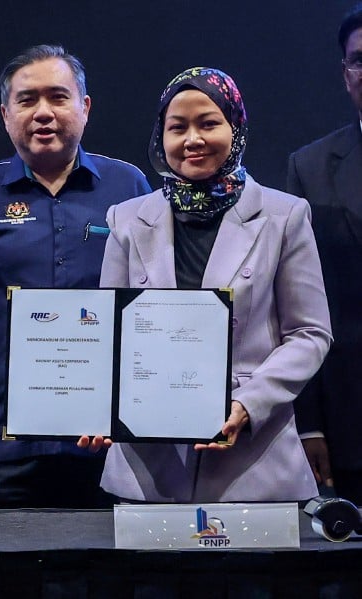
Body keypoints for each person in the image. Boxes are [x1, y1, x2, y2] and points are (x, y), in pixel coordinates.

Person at [0, 45, 151, 508]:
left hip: (108, 439)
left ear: (85, 107)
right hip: (2, 440)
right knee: (6, 576)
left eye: (58, 97)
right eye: (28, 100)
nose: (43, 113)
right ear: (6, 114)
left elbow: (151, 310)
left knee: (109, 576)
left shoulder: (129, 187)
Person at [99, 67, 331, 502]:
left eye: (208, 123)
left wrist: (249, 404)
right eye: (177, 127)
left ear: (236, 127)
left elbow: (310, 334)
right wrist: (96, 406)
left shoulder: (285, 216)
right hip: (149, 467)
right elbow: (108, 335)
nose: (192, 139)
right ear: (160, 136)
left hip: (255, 463)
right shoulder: (126, 220)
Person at [286, 3, 362, 506]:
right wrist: (308, 424)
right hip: (351, 421)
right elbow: (298, 310)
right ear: (346, 73)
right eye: (360, 60)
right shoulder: (310, 168)